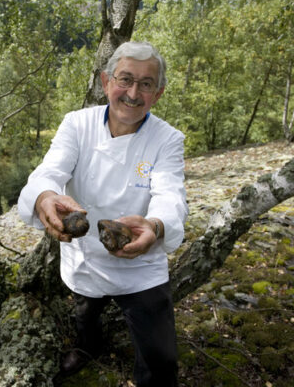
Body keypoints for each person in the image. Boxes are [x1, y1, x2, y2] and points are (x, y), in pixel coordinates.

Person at [18, 41, 188, 387]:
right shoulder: (77, 124)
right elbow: (50, 170)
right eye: (125, 79)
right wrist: (45, 196)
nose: (133, 93)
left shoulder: (167, 139)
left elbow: (170, 193)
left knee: (161, 358)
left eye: (146, 84)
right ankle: (88, 348)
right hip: (86, 255)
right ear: (106, 81)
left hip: (141, 263)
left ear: (159, 93)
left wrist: (155, 226)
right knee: (85, 313)